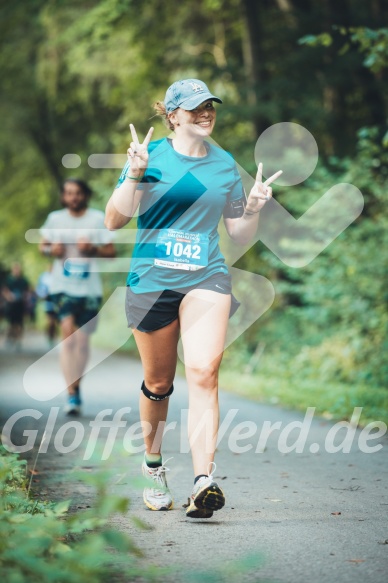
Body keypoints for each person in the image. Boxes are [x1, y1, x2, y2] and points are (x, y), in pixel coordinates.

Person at [105, 79, 282, 519]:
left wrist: (255, 208)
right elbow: (113, 220)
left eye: (210, 107)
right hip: (151, 281)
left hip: (206, 276)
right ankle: (153, 464)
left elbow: (238, 232)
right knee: (160, 383)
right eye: (196, 108)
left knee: (204, 371)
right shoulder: (150, 157)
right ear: (173, 115)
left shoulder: (224, 165)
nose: (206, 114)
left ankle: (204, 480)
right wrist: (133, 173)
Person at [39, 179, 116, 414]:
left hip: (89, 289)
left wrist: (92, 249)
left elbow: (111, 252)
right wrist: (52, 250)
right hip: (62, 287)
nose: (73, 197)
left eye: (78, 193)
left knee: (82, 343)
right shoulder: (55, 219)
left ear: (85, 195)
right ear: (64, 197)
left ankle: (77, 387)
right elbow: (42, 247)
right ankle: (71, 393)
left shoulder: (96, 218)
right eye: (69, 193)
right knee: (68, 339)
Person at [2, 263, 30, 349]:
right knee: (11, 323)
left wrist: (26, 297)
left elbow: (28, 290)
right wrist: (9, 297)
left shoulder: (23, 280)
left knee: (19, 323)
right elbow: (4, 290)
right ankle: (10, 338)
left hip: (20, 304)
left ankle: (18, 340)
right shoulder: (9, 280)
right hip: (11, 304)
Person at [36, 266, 58, 347]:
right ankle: (49, 337)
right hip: (47, 301)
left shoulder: (58, 276)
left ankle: (53, 336)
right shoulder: (43, 276)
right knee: (50, 321)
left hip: (57, 301)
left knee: (55, 322)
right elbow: (39, 288)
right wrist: (43, 295)